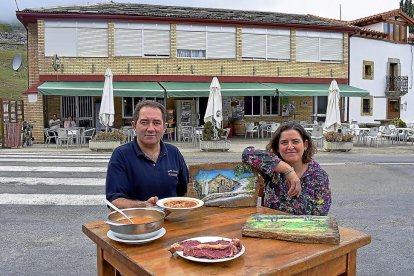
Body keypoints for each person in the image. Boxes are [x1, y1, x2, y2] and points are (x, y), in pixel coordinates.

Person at [106, 100, 189, 209]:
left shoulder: (174, 152)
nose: (150, 129)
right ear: (134, 125)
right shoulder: (121, 155)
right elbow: (114, 201)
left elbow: (185, 191)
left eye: (157, 123)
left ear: (164, 127)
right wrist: (143, 205)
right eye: (144, 122)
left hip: (173, 223)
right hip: (137, 223)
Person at [242, 121, 331, 215]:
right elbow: (247, 153)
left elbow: (321, 215)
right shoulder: (272, 169)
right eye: (284, 142)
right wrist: (288, 170)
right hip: (272, 226)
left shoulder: (319, 176)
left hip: (303, 228)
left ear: (305, 145)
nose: (290, 147)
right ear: (277, 147)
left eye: (295, 141)